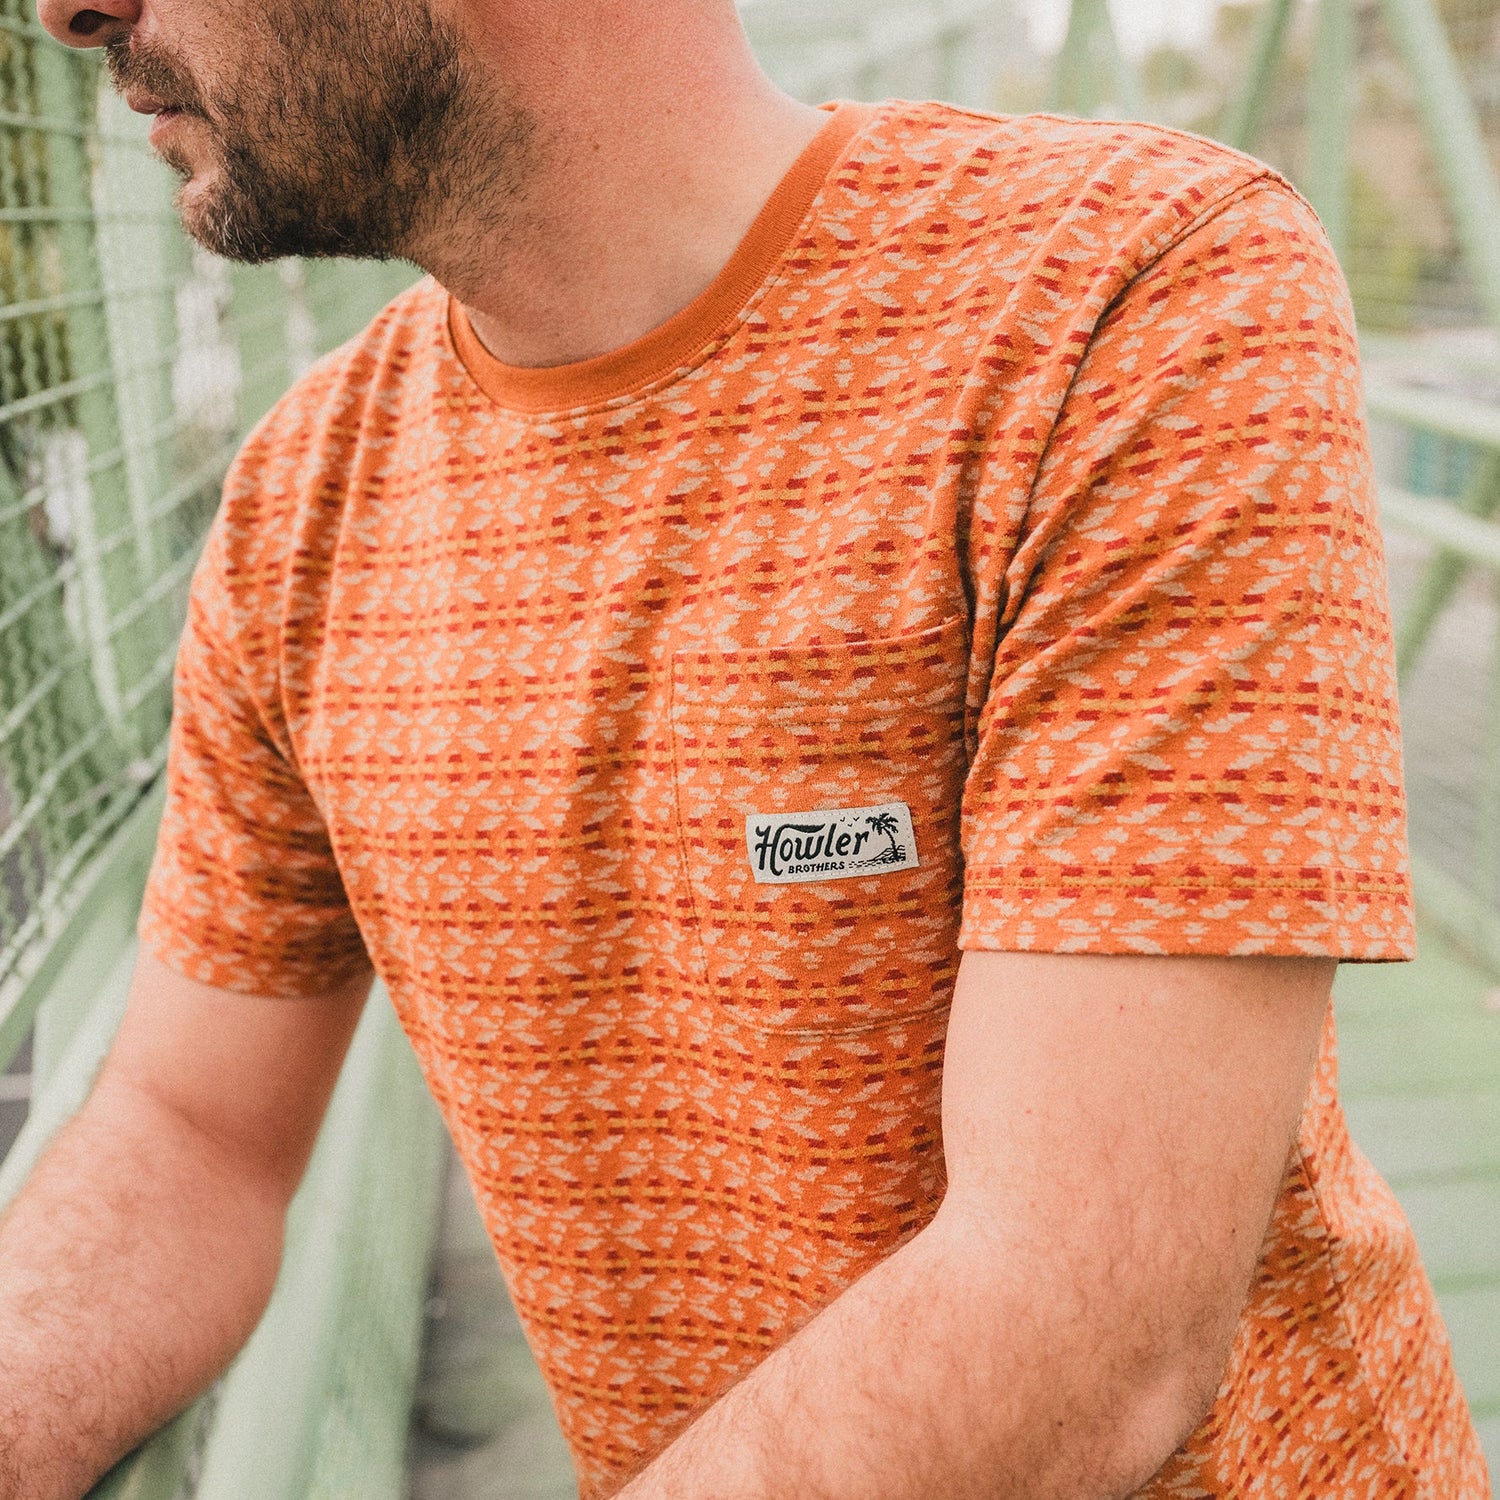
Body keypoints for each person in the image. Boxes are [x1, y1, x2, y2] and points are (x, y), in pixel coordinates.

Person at [0, 0, 1488, 1494]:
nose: (71, 11)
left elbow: (1083, 1321)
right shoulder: (299, 506)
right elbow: (189, 1132)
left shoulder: (1132, 289)